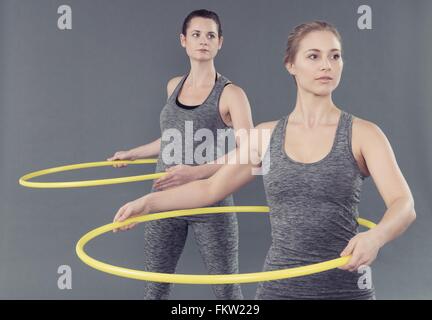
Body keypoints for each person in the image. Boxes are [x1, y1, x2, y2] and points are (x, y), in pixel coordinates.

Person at [113, 21, 416, 300]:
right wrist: (147, 204)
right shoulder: (266, 136)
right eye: (313, 56)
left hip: (347, 289)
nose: (326, 65)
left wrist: (376, 236)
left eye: (335, 56)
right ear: (291, 65)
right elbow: (209, 190)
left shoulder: (363, 134)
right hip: (278, 288)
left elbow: (404, 204)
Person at [108, 9, 254, 299]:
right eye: (196, 34)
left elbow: (251, 152)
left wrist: (196, 171)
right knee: (155, 287)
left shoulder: (231, 93)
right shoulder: (173, 86)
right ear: (183, 40)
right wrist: (133, 154)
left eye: (210, 35)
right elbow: (173, 138)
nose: (203, 41)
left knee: (226, 292)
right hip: (164, 199)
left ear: (219, 42)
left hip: (212, 203)